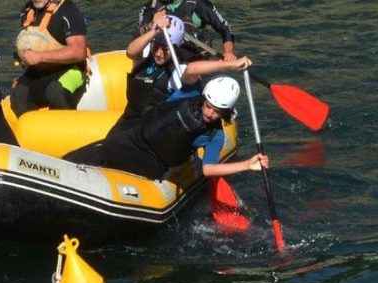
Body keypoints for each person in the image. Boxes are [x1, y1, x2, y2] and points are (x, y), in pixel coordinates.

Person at [64, 76, 270, 181]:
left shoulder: (214, 135)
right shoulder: (188, 95)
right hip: (132, 139)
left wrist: (247, 165)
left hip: (151, 163)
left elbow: (208, 169)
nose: (209, 113)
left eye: (216, 111)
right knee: (75, 159)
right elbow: (191, 71)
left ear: (225, 112)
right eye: (208, 106)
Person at [110, 13, 252, 135]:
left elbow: (193, 70)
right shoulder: (145, 55)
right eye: (156, 46)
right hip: (128, 120)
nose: (158, 53)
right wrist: (154, 30)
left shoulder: (178, 70)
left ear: (174, 47)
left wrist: (231, 65)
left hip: (152, 129)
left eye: (165, 49)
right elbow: (130, 52)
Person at [11, 0, 90, 116]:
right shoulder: (27, 11)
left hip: (70, 71)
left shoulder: (68, 11)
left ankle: (68, 124)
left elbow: (79, 52)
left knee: (55, 92)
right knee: (19, 94)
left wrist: (41, 56)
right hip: (39, 73)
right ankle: (33, 126)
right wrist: (24, 76)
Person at [138, 0, 236, 63]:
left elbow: (225, 28)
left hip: (194, 60)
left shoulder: (197, 4)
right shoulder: (150, 7)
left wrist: (228, 52)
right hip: (161, 58)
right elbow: (140, 34)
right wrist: (152, 24)